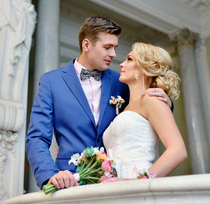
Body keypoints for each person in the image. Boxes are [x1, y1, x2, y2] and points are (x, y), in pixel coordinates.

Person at [26, 16, 172, 191]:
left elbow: (144, 109)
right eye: (107, 47)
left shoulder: (121, 82)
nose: (114, 54)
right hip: (69, 181)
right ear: (86, 45)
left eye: (114, 48)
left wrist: (166, 100)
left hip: (114, 182)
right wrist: (50, 174)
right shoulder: (51, 81)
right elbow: (37, 137)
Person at [103, 42, 187, 179]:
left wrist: (139, 182)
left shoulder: (151, 100)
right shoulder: (125, 108)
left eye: (129, 59)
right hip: (115, 185)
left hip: (138, 185)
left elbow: (178, 151)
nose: (121, 64)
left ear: (145, 68)